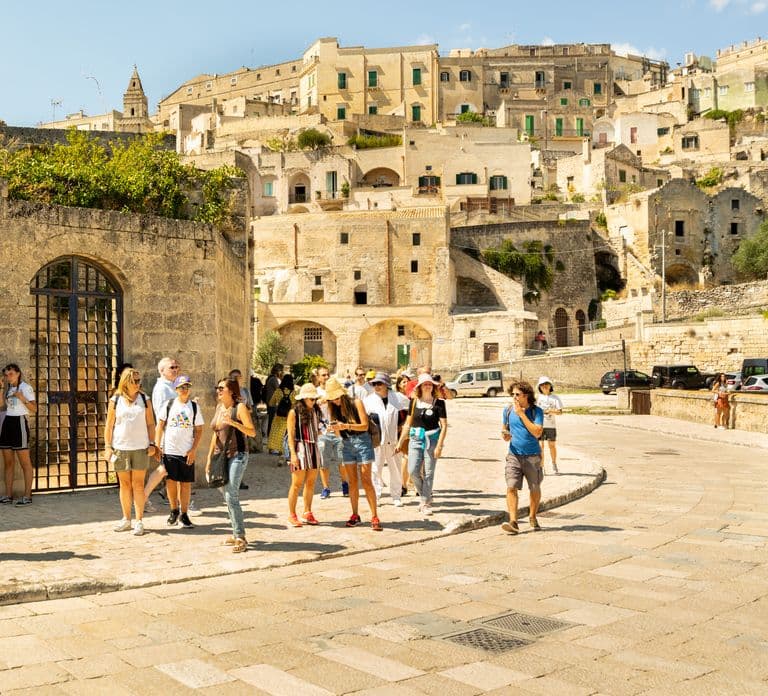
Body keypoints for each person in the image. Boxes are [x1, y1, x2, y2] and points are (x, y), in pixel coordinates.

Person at [205, 376, 256, 553]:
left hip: (238, 454)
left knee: (231, 494)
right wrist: (209, 459)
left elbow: (252, 432)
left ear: (231, 391)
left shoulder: (239, 408)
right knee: (225, 492)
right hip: (220, 456)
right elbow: (215, 434)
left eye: (221, 388)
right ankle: (236, 533)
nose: (218, 391)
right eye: (217, 388)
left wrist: (233, 422)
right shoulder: (220, 408)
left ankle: (240, 536)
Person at [104, 368, 158, 535]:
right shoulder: (116, 399)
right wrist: (107, 446)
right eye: (134, 381)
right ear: (125, 382)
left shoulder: (144, 398)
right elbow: (109, 425)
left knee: (138, 485)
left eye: (139, 380)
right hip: (121, 447)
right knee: (125, 485)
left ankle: (139, 520)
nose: (138, 384)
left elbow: (150, 423)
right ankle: (126, 518)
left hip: (140, 447)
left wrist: (152, 443)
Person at [325, 377, 382, 531]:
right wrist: (335, 428)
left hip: (363, 442)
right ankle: (355, 514)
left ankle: (374, 516)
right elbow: (338, 435)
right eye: (332, 399)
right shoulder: (334, 409)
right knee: (352, 482)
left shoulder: (356, 403)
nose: (335, 401)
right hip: (347, 444)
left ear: (342, 395)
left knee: (366, 480)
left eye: (336, 398)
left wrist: (346, 425)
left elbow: (364, 426)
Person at [156, 374, 204, 529]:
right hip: (169, 450)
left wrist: (193, 450)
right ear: (176, 389)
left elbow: (199, 430)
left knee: (185, 484)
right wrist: (157, 445)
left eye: (187, 386)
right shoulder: (169, 405)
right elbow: (160, 425)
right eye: (182, 387)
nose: (185, 389)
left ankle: (184, 513)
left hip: (186, 451)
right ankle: (173, 510)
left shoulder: (194, 407)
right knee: (170, 481)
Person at [397, 373, 448, 516]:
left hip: (432, 440)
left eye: (430, 384)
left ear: (433, 386)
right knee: (413, 471)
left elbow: (444, 425)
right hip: (415, 439)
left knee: (429, 473)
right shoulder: (414, 402)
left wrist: (439, 445)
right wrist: (400, 442)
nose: (428, 386)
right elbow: (407, 423)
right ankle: (426, 495)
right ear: (420, 386)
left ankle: (424, 502)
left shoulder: (439, 403)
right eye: (425, 384)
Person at [501, 380, 544, 535]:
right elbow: (504, 429)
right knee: (511, 486)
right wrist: (505, 435)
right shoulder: (507, 410)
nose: (514, 397)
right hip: (514, 455)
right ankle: (514, 521)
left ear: (526, 396)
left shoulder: (536, 412)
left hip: (532, 456)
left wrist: (521, 414)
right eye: (512, 394)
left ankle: (532, 516)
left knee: (534, 488)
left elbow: (537, 432)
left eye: (517, 394)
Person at [364, 372, 409, 506]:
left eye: (379, 383)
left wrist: (402, 429)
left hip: (394, 440)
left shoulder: (398, 398)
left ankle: (396, 496)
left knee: (395, 468)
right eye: (374, 384)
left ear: (386, 385)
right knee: (375, 468)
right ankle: (376, 495)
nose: (376, 386)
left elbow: (409, 413)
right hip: (376, 441)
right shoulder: (369, 400)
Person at [143, 357, 180, 509]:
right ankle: (143, 497)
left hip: (175, 434)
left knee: (170, 469)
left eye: (177, 366)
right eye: (172, 367)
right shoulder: (162, 389)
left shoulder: (171, 386)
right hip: (168, 435)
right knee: (166, 468)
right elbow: (161, 414)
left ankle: (176, 501)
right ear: (162, 370)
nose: (176, 369)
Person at [286, 382, 322, 527]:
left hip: (313, 447)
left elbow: (317, 429)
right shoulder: (293, 412)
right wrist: (292, 454)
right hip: (300, 448)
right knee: (296, 484)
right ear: (304, 398)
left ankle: (307, 511)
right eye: (311, 399)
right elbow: (290, 435)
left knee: (311, 482)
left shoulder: (316, 411)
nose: (314, 402)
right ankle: (292, 514)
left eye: (315, 399)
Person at [0, 364, 37, 506]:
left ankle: (27, 496)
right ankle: (8, 495)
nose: (8, 377)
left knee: (25, 463)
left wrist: (23, 398)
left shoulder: (25, 388)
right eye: (6, 375)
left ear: (18, 373)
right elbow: (1, 405)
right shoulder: (9, 388)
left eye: (11, 374)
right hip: (7, 423)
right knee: (8, 463)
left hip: (19, 423)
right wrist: (1, 387)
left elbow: (34, 409)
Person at [313, 366, 349, 499]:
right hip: (323, 432)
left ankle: (345, 484)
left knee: (343, 460)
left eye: (327, 374)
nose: (326, 377)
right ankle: (325, 487)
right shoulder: (316, 393)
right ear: (317, 377)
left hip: (338, 430)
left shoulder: (337, 391)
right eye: (323, 375)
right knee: (324, 461)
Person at [536, 376, 563, 475]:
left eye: (546, 384)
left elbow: (560, 412)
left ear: (550, 385)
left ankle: (554, 464)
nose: (544, 387)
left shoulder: (555, 398)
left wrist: (549, 410)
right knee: (540, 446)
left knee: (552, 446)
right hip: (539, 425)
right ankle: (542, 467)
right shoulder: (538, 398)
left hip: (551, 425)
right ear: (539, 387)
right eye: (542, 385)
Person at [267, 373, 295, 456]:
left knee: (276, 433)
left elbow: (271, 403)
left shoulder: (278, 391)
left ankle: (275, 449)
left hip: (279, 416)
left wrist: (279, 404)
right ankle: (284, 451)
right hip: (289, 416)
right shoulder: (293, 392)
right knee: (286, 434)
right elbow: (294, 405)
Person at [394, 373, 412, 497]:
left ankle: (410, 483)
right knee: (406, 456)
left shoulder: (411, 396)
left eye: (407, 381)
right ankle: (403, 484)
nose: (406, 384)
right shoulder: (398, 397)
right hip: (404, 430)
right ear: (399, 385)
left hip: (414, 429)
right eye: (403, 382)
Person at [264, 364, 283, 438]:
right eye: (281, 371)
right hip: (273, 403)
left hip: (271, 402)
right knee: (272, 421)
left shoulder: (270, 378)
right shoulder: (274, 379)